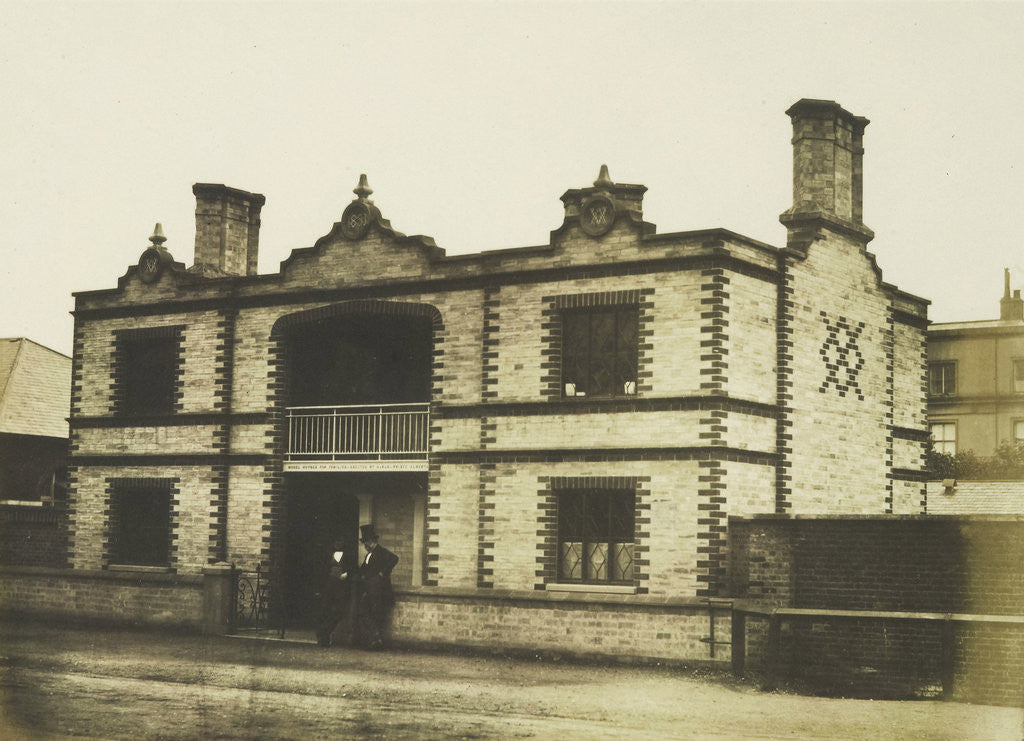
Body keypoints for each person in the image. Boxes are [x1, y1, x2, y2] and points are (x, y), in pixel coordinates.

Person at [354, 523, 399, 649]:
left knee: (374, 614)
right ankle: (375, 638)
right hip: (369, 590)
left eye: (367, 542)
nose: (365, 545)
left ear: (372, 541)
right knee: (363, 612)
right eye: (364, 543)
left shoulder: (381, 552)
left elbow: (395, 558)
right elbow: (363, 569)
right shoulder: (368, 555)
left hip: (379, 591)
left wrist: (383, 573)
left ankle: (376, 641)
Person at [316, 537, 357, 647]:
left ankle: (327, 631)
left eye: (340, 541)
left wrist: (347, 574)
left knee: (339, 611)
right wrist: (320, 588)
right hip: (329, 586)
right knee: (325, 610)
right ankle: (322, 636)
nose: (338, 544)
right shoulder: (327, 555)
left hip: (342, 587)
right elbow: (321, 570)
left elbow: (354, 568)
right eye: (336, 541)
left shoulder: (349, 555)